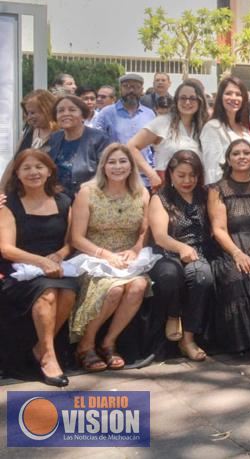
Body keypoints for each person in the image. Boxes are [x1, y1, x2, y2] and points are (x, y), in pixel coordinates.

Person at [68, 144, 152, 372]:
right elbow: (76, 238)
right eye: (112, 162)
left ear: (131, 166)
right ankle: (85, 345)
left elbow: (145, 230)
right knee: (113, 290)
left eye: (122, 162)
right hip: (95, 256)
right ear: (103, 166)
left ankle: (108, 343)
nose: (117, 167)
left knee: (139, 286)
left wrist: (135, 249)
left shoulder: (141, 192)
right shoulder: (88, 192)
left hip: (128, 258)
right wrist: (105, 255)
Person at [0, 150, 78, 387]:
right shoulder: (8, 203)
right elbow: (6, 249)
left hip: (56, 266)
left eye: (39, 167)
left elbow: (70, 241)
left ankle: (39, 348)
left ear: (49, 170)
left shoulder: (64, 201)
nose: (33, 172)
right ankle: (48, 357)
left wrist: (59, 255)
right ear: (17, 174)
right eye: (26, 168)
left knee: (68, 292)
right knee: (47, 294)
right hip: (21, 270)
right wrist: (41, 262)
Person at [208, 139, 250, 354]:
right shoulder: (218, 189)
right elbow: (218, 229)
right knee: (237, 274)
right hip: (230, 249)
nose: (242, 156)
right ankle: (241, 343)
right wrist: (236, 253)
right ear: (228, 159)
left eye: (246, 152)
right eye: (236, 153)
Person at [148, 150, 214, 362]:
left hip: (200, 251)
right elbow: (159, 236)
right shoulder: (161, 198)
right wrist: (181, 248)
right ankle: (173, 314)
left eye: (192, 175)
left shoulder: (204, 195)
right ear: (171, 174)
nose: (187, 180)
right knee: (170, 275)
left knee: (202, 276)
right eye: (181, 175)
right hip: (169, 251)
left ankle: (188, 339)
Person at [128, 79, 206, 189]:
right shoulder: (162, 122)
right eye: (183, 98)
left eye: (192, 98)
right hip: (166, 190)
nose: (187, 102)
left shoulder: (204, 127)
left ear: (200, 101)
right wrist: (151, 174)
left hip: (197, 190)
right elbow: (131, 147)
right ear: (176, 100)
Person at [47, 95, 111, 196]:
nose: (66, 114)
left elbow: (106, 171)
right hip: (57, 197)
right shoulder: (54, 138)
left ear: (83, 115)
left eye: (72, 110)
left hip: (90, 195)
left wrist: (85, 190)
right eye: (60, 111)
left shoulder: (99, 138)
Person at [93, 75, 156, 170]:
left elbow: (154, 145)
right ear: (120, 89)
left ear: (142, 90)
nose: (131, 90)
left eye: (135, 87)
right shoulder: (107, 113)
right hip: (116, 172)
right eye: (126, 86)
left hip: (144, 174)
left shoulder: (149, 114)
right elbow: (95, 142)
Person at [200, 76, 250, 185]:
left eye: (238, 94)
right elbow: (212, 169)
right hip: (224, 192)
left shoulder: (245, 129)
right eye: (228, 93)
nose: (234, 98)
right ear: (220, 97)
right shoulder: (213, 127)